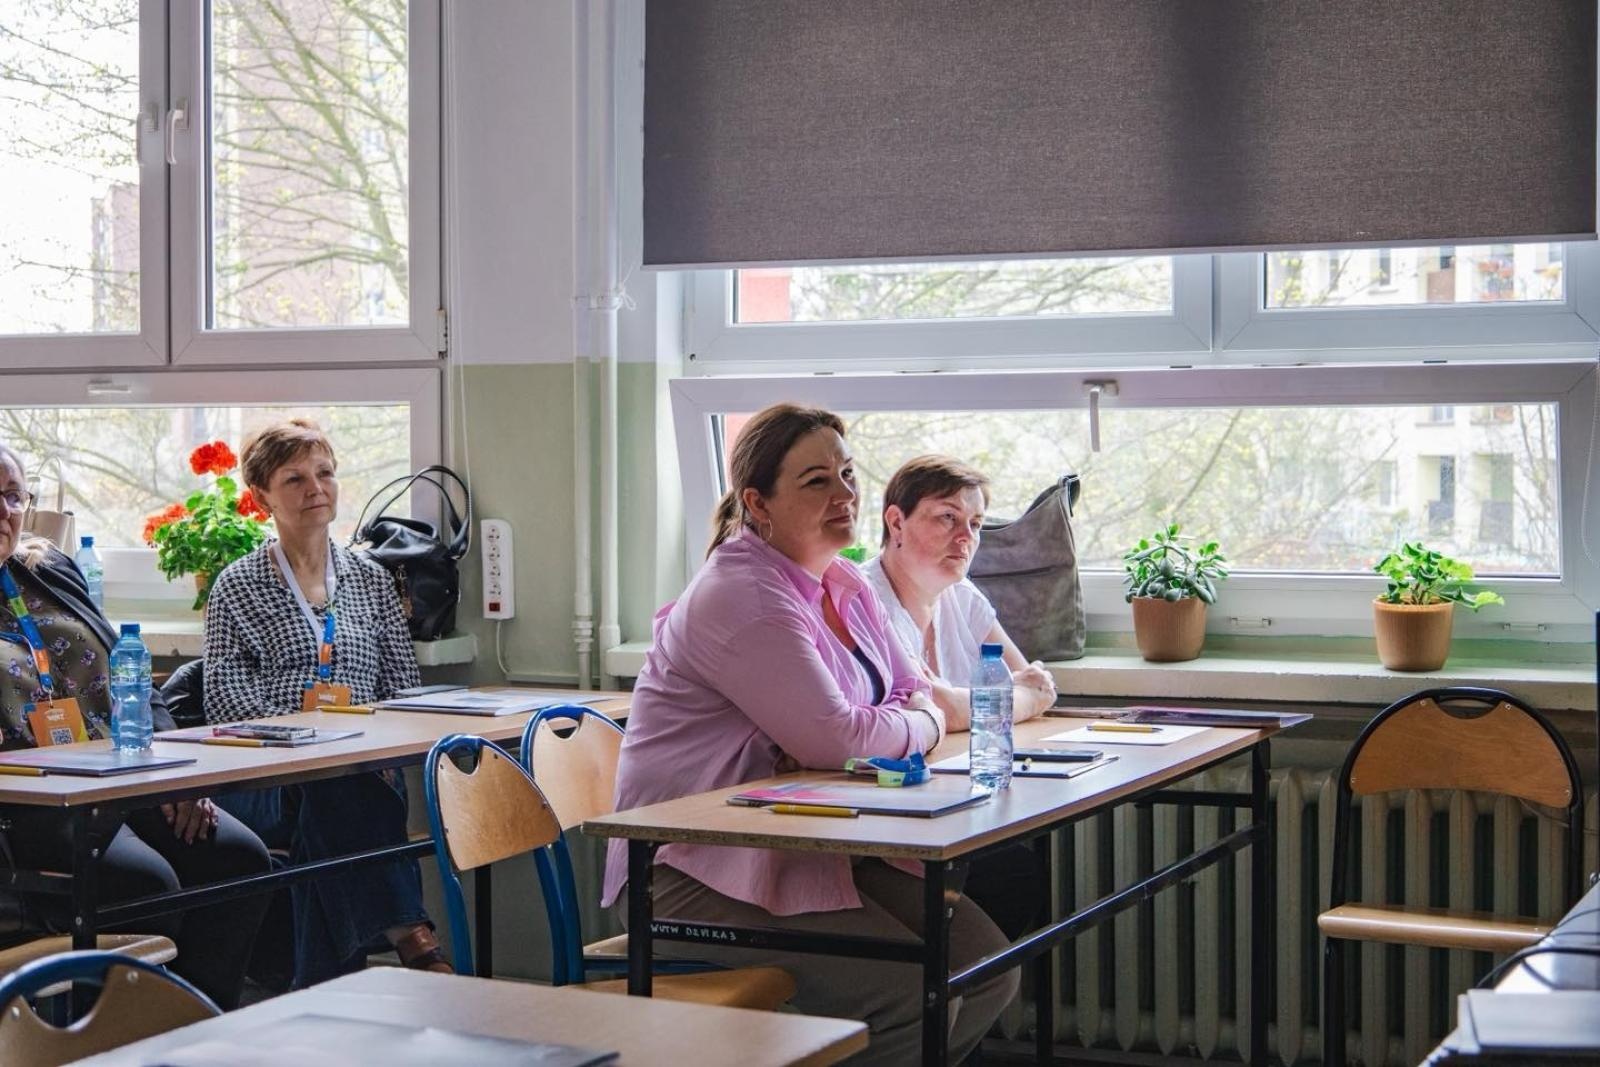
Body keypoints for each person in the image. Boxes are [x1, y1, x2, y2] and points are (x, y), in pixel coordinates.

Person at [602, 403, 1018, 1065]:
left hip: (804, 842)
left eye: (848, 474)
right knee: (908, 990)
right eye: (816, 480)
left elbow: (907, 694)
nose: (845, 494)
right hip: (691, 866)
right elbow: (841, 736)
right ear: (757, 503)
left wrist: (908, 719)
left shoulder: (843, 580)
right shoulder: (743, 594)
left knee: (987, 965)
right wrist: (922, 722)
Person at [0, 442, 271, 1009]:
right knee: (149, 887)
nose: (4, 511)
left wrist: (171, 773)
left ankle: (196, 1033)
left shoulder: (44, 569)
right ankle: (117, 1041)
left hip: (122, 772)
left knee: (240, 860)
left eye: (11, 495)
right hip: (36, 804)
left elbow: (135, 673)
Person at [202, 418, 449, 987]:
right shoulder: (237, 586)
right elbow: (226, 704)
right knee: (336, 788)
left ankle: (317, 990)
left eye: (325, 473)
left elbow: (401, 687)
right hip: (270, 780)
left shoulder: (370, 578)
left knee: (339, 800)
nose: (316, 487)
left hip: (361, 771)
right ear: (261, 495)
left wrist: (367, 743)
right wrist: (312, 737)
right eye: (295, 478)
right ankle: (413, 937)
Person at [863, 455, 1058, 940]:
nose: (965, 536)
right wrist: (1004, 701)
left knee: (1020, 873)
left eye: (974, 523)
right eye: (947, 517)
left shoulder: (961, 595)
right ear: (896, 522)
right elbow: (941, 709)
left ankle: (977, 1006)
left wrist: (979, 702)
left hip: (954, 797)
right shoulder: (865, 599)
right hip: (883, 816)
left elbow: (1037, 686)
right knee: (1006, 877)